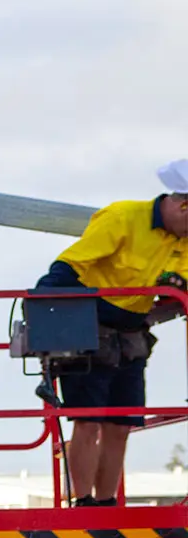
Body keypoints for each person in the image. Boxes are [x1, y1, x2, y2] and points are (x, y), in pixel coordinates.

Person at [37, 161, 188, 506]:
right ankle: (85, 501)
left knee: (121, 424)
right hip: (90, 330)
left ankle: (105, 504)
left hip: (131, 336)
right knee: (88, 421)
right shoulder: (122, 218)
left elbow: (181, 278)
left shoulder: (181, 240)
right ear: (183, 205)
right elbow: (71, 265)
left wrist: (178, 285)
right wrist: (49, 310)